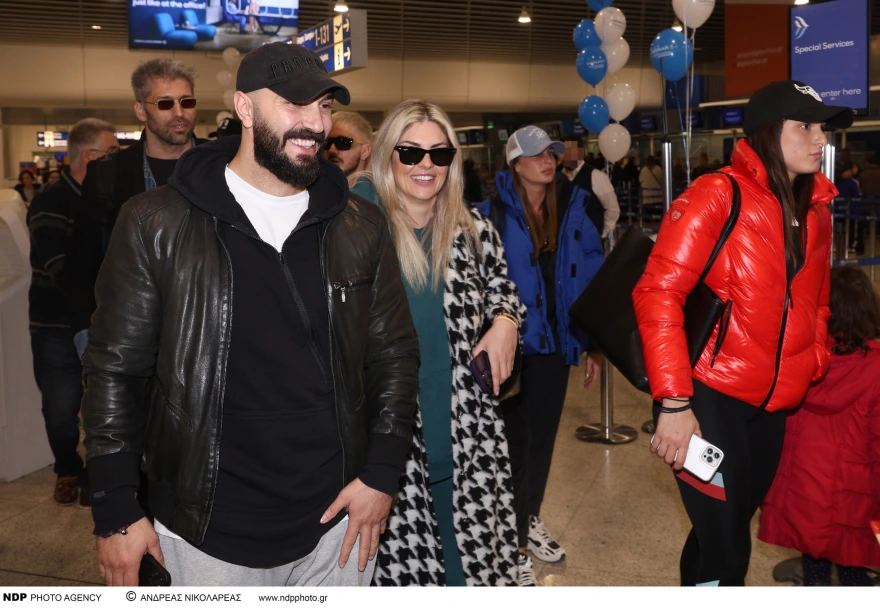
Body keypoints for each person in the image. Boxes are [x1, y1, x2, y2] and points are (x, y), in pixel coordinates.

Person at [81, 43, 420, 588]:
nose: (316, 123)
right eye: (294, 104)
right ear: (244, 107)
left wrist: (381, 473)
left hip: (338, 524)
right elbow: (114, 371)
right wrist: (116, 505)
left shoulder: (359, 225)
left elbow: (394, 355)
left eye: (324, 106)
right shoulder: (155, 223)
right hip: (205, 527)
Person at [633, 80, 854, 586]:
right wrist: (674, 403)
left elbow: (818, 303)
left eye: (821, 127)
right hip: (707, 400)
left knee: (719, 533)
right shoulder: (717, 193)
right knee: (728, 550)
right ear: (769, 132)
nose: (820, 139)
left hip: (771, 410)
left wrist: (813, 358)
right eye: (805, 126)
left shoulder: (817, 213)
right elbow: (658, 292)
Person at [351, 100, 522, 587]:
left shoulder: (473, 230)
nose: (426, 165)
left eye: (439, 154)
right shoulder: (359, 229)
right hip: (391, 441)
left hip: (470, 436)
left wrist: (506, 320)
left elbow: (503, 288)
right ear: (387, 155)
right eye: (410, 152)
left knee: (471, 569)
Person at [477, 126, 604, 584]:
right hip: (511, 350)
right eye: (536, 156)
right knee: (513, 448)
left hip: (554, 348)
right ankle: (511, 546)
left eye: (550, 153)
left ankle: (527, 521)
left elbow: (591, 275)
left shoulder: (573, 206)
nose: (548, 161)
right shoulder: (488, 214)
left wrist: (594, 342)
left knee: (543, 443)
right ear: (515, 164)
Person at [63, 58, 203, 359]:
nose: (179, 112)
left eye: (187, 101)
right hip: (131, 341)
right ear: (140, 110)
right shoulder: (107, 174)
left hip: (205, 338)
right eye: (165, 103)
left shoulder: (220, 166)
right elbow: (82, 264)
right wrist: (86, 338)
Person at [758, 265, 880, 587]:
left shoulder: (801, 358)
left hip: (803, 491)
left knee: (814, 568)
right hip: (853, 500)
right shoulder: (876, 369)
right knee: (855, 572)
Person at [26, 118, 118, 508]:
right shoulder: (51, 198)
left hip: (103, 321)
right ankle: (67, 470)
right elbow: (58, 265)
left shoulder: (109, 199)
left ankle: (98, 476)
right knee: (61, 407)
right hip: (57, 325)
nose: (116, 160)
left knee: (104, 407)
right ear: (89, 156)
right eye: (111, 153)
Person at [559, 134, 620, 239]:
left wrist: (602, 234)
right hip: (565, 241)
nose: (564, 156)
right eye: (561, 152)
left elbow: (612, 209)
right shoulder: (558, 177)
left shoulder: (596, 176)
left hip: (590, 241)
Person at [324, 110, 372, 182]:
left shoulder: (370, 188)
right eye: (327, 142)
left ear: (364, 151)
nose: (331, 149)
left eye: (342, 142)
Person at [835, 162, 865, 254]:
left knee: (841, 228)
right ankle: (849, 245)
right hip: (850, 210)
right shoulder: (853, 182)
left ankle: (841, 245)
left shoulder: (838, 181)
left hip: (839, 209)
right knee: (850, 228)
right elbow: (857, 196)